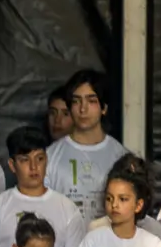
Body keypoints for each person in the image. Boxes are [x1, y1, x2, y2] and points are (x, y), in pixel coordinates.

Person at [0, 126, 86, 247]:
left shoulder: (67, 208)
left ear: (47, 161)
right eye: (25, 160)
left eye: (39, 158)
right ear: (12, 165)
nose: (34, 167)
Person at [45, 69, 129, 224]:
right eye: (76, 101)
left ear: (104, 108)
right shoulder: (50, 156)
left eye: (91, 101)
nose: (83, 109)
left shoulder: (121, 157)